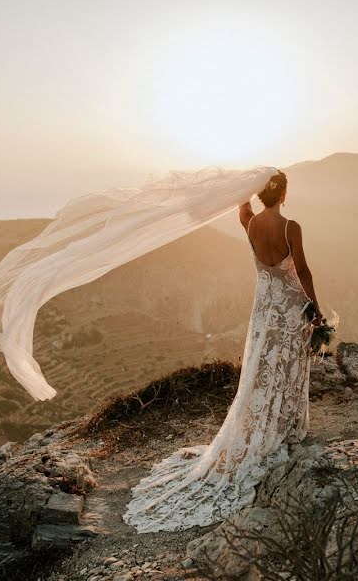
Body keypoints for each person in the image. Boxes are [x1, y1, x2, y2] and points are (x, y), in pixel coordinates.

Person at [123, 170, 321, 533]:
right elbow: (303, 272)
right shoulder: (291, 226)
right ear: (285, 193)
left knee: (263, 364)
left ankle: (267, 422)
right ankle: (288, 424)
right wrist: (316, 310)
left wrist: (242, 192)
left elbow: (242, 211)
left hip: (264, 307)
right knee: (289, 364)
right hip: (290, 304)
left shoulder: (249, 224)